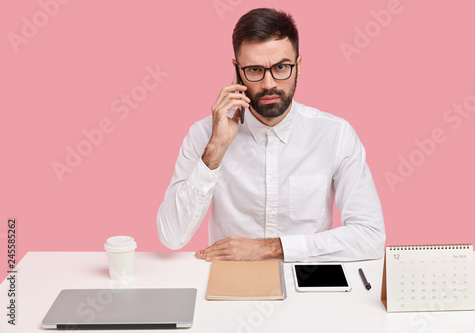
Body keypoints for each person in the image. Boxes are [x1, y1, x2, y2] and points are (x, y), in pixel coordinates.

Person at [157, 8, 385, 262]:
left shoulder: (335, 134)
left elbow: (371, 237)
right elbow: (171, 235)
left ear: (298, 66)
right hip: (232, 285)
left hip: (308, 282)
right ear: (237, 70)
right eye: (254, 70)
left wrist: (271, 248)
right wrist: (215, 149)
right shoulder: (204, 135)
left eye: (281, 67)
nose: (269, 84)